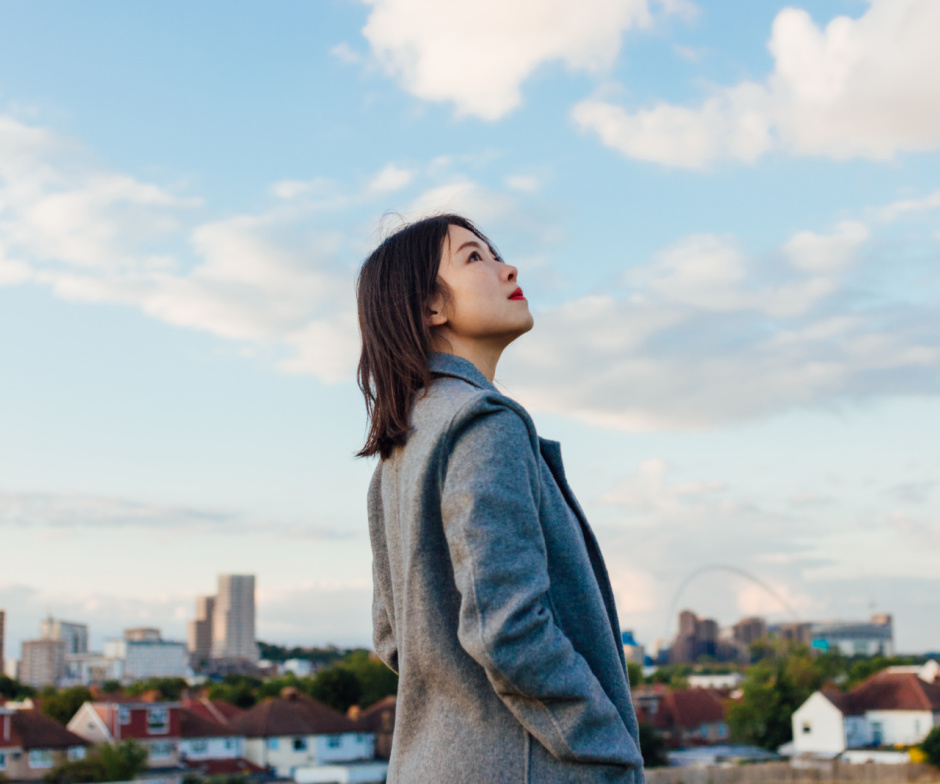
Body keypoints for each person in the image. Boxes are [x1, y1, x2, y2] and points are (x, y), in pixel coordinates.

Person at [357, 214, 644, 783]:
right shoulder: (483, 422)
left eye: (495, 254)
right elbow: (506, 628)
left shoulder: (404, 442)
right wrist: (607, 743)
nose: (507, 267)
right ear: (430, 307)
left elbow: (395, 642)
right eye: (473, 258)